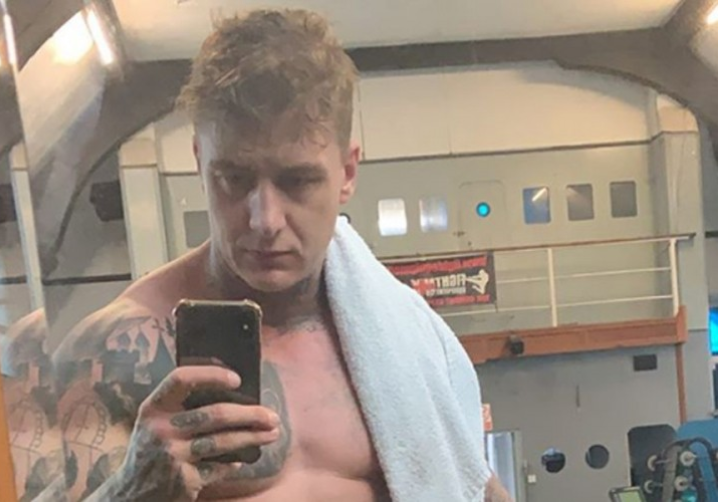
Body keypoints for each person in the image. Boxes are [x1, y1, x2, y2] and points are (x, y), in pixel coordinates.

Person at [51, 8, 511, 501]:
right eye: (234, 179)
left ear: (347, 173)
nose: (265, 220)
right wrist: (130, 491)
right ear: (200, 163)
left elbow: (468, 480)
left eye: (297, 181)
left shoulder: (405, 335)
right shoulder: (113, 351)